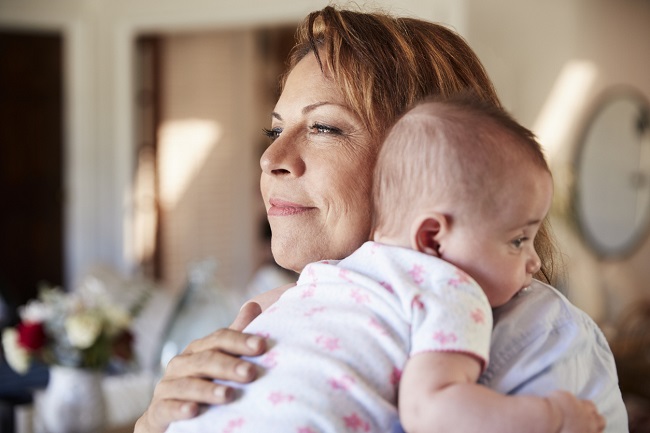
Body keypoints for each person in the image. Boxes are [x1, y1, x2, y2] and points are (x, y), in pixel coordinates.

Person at [135, 5, 627, 433]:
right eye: (275, 130)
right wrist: (158, 421)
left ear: (429, 163)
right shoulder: (277, 314)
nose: (271, 158)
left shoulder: (540, 336)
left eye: (324, 127)